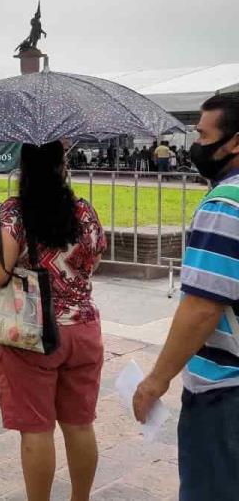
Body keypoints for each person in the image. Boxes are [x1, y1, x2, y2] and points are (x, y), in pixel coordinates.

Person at [0, 141, 106, 501]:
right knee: (80, 424)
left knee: (36, 429)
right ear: (62, 165)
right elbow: (94, 260)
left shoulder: (15, 213)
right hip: (83, 328)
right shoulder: (85, 211)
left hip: (32, 332)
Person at [133, 94, 239, 501]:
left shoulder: (226, 205)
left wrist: (156, 379)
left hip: (224, 390)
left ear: (235, 141)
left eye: (203, 135)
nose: (196, 145)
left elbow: (203, 307)